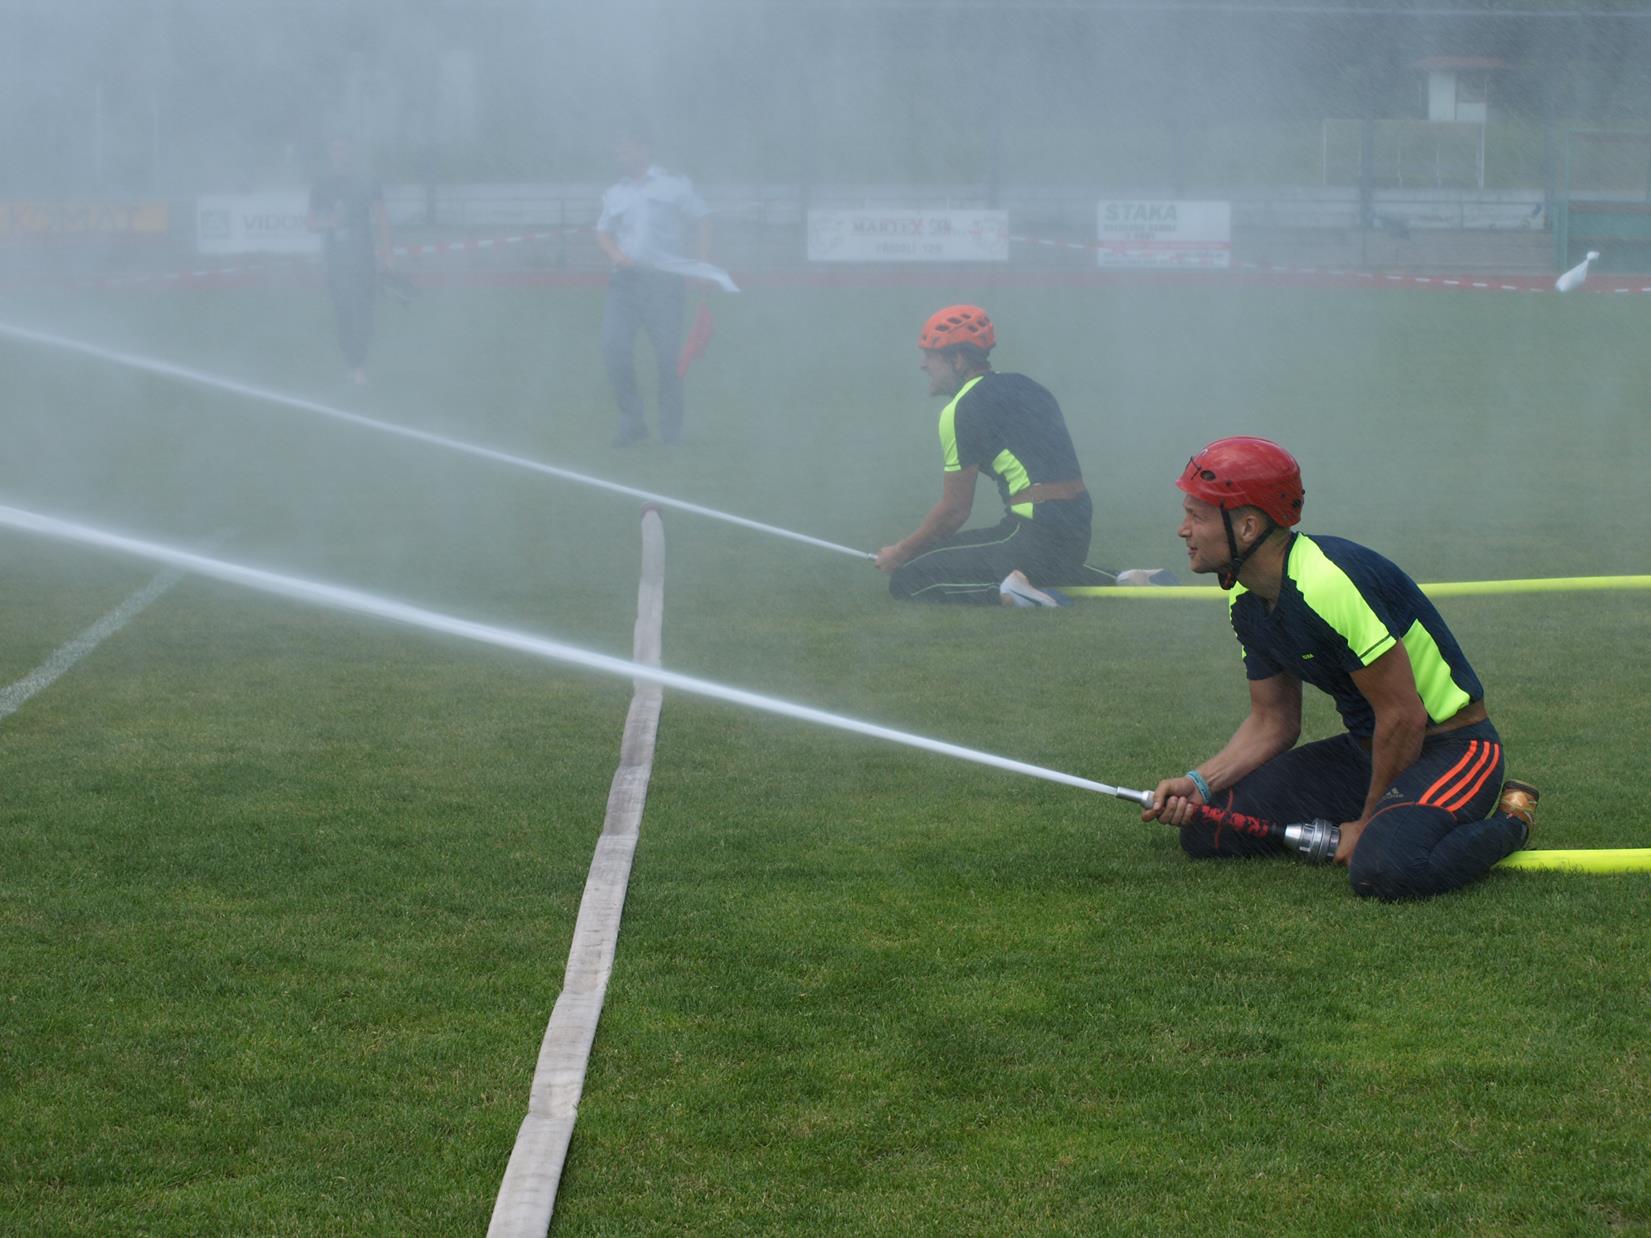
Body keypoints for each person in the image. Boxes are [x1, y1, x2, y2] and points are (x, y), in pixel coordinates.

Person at [1142, 436, 1539, 900]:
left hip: (1454, 749)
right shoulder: (1244, 596)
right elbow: (1273, 721)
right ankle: (1391, 816)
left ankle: (1513, 819)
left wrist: (1366, 823)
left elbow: (1403, 715)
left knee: (1382, 870)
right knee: (1207, 827)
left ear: (1247, 526)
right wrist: (1199, 783)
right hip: (1368, 752)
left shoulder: (1328, 584)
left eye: (1197, 516)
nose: (1183, 530)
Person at [875, 305, 1129, 606]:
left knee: (909, 577)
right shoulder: (1027, 386)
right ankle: (1121, 578)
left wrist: (901, 551)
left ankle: (1011, 594)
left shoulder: (959, 409)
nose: (923, 365)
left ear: (957, 359)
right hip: (1076, 532)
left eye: (930, 356)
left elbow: (954, 511)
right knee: (1025, 563)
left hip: (1034, 533)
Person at [594, 122, 712, 447]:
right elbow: (602, 231)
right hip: (625, 285)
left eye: (624, 147)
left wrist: (701, 265)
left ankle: (671, 434)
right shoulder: (614, 193)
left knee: (668, 359)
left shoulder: (674, 185)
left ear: (643, 149)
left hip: (664, 284)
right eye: (617, 149)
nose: (618, 154)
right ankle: (632, 424)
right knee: (614, 348)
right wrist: (615, 254)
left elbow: (703, 218)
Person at [307, 136, 392, 385]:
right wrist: (330, 223)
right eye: (336, 149)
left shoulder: (368, 182)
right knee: (343, 312)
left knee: (364, 312)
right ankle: (352, 363)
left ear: (351, 152)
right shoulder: (321, 185)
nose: (340, 153)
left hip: (364, 257)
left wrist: (387, 254)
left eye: (344, 149)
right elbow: (310, 224)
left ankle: (359, 365)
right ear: (330, 153)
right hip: (336, 260)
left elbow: (381, 218)